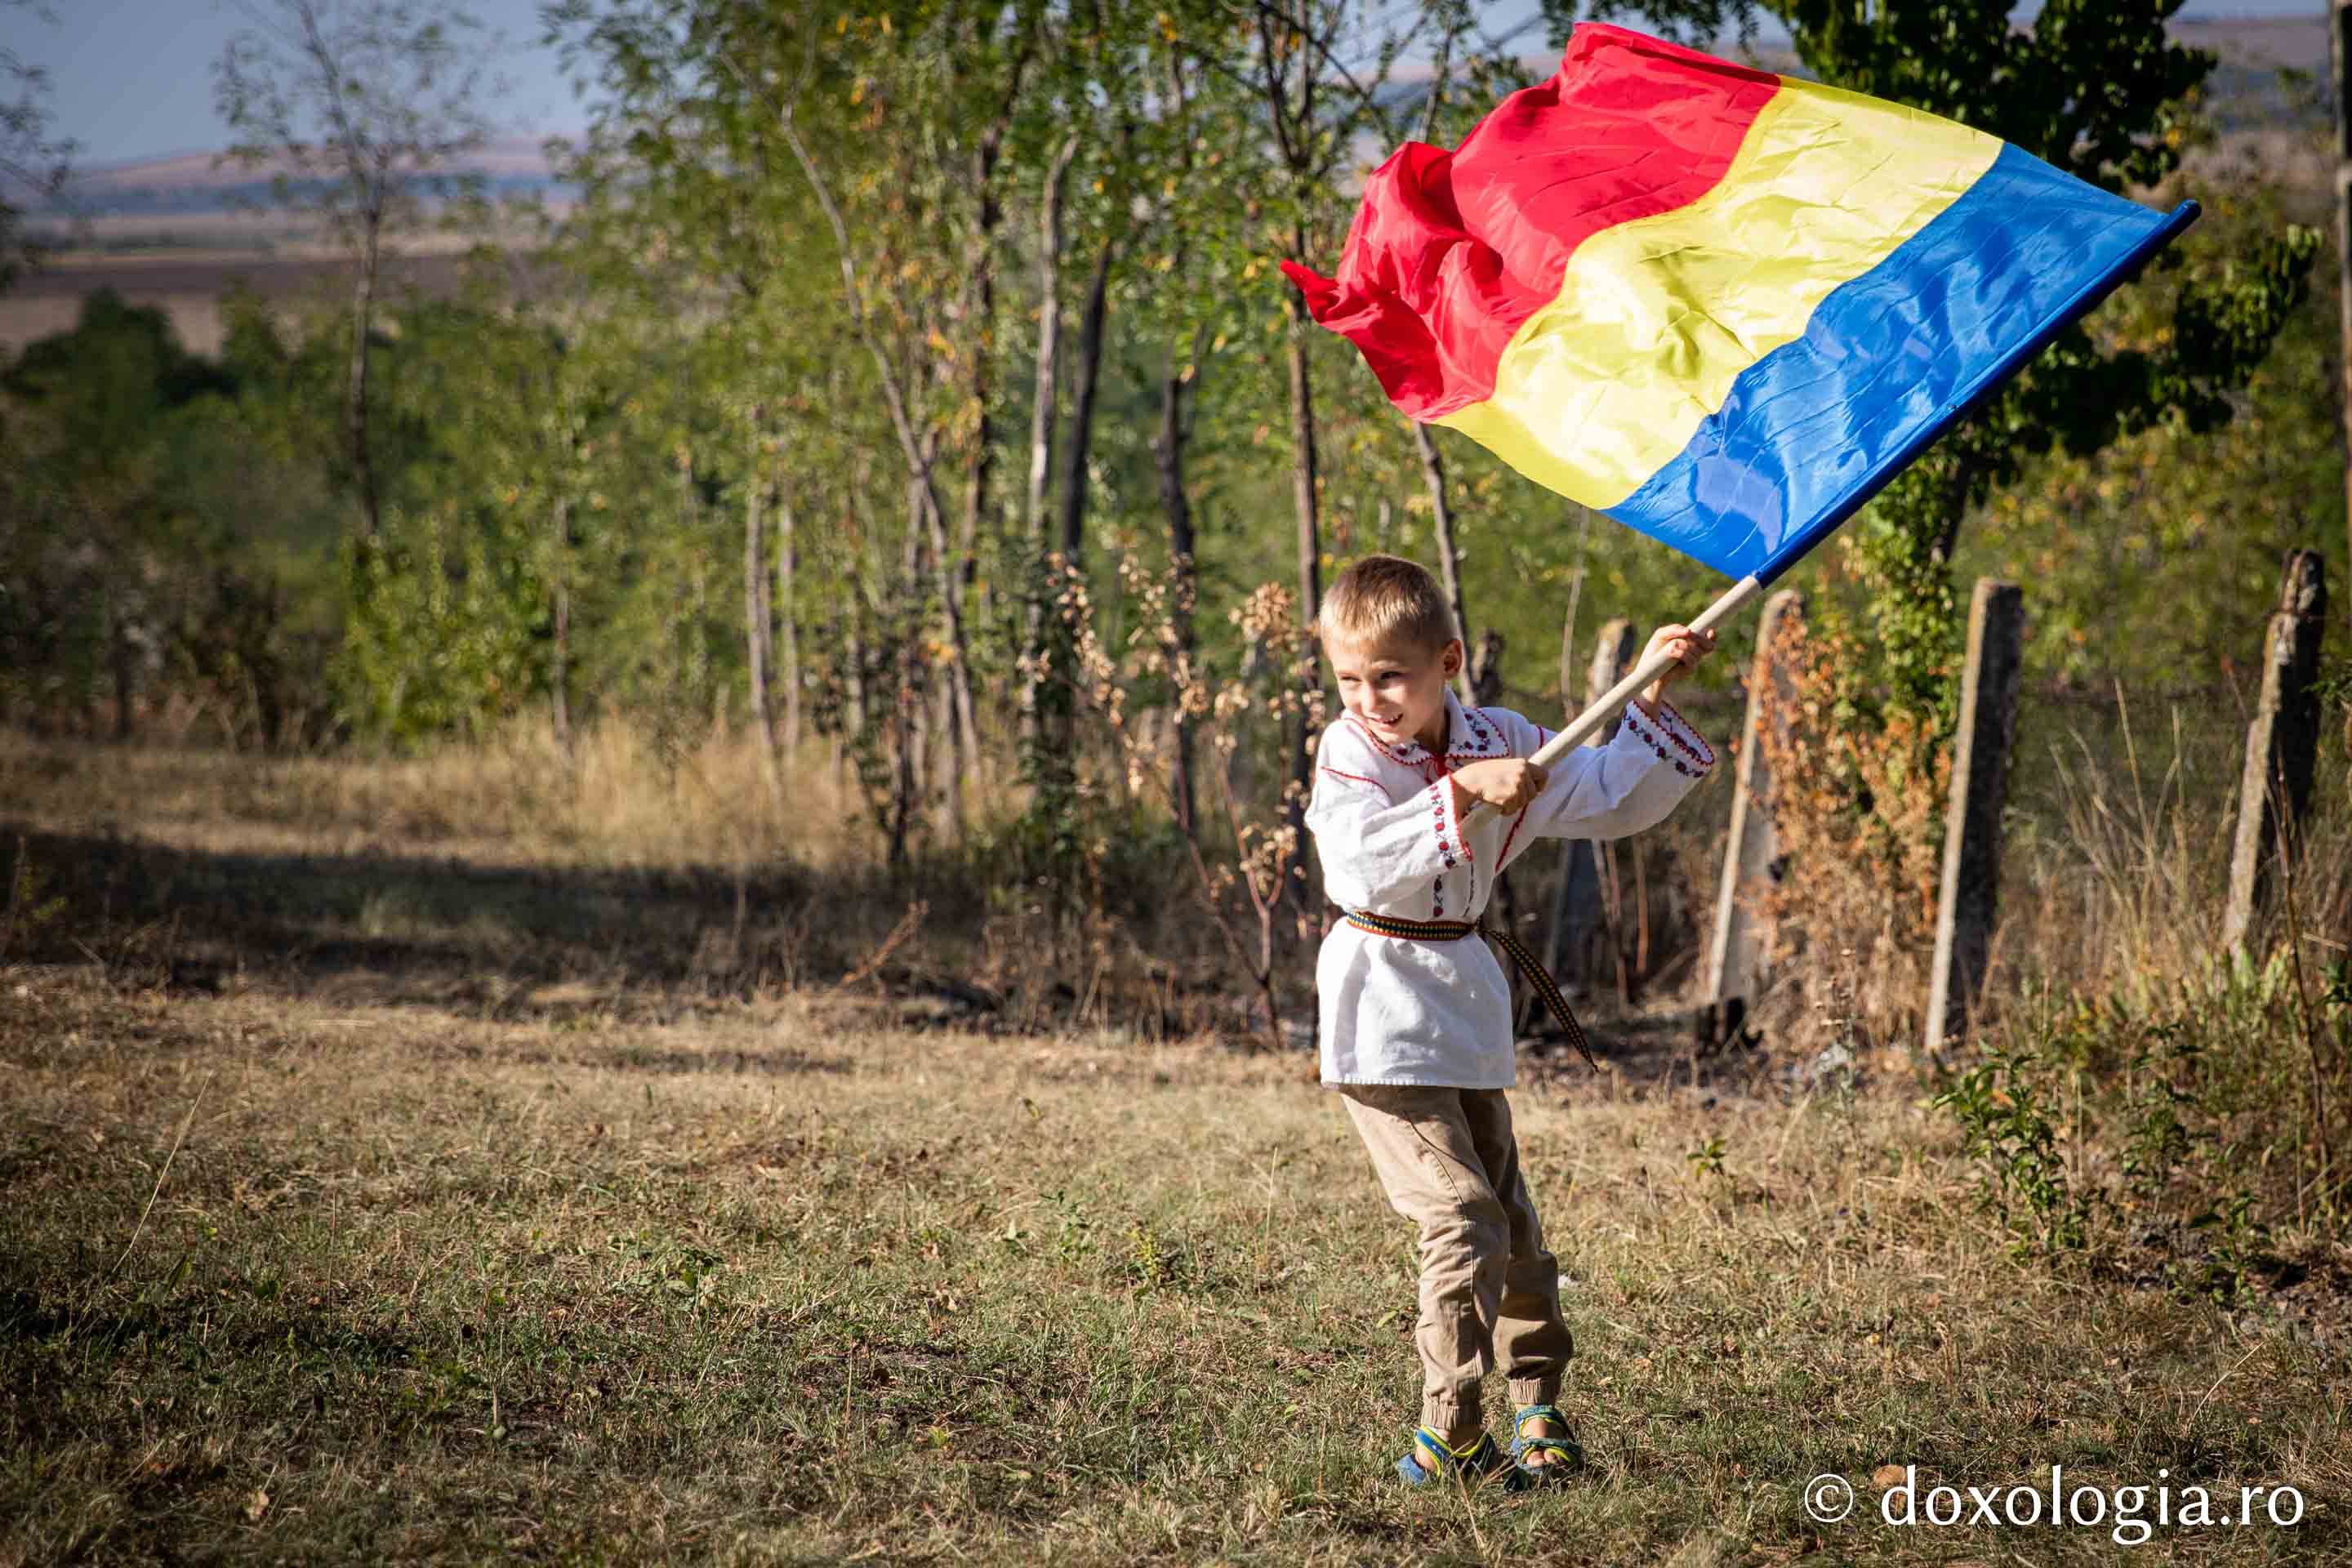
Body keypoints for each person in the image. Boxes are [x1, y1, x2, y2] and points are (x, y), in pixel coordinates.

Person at [1306, 554, 1717, 1489]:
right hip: (1380, 1011)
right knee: (1461, 1215)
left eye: (1390, 677)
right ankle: (1447, 1434)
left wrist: (1648, 689)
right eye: (1350, 679)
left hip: (1464, 1002)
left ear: (1448, 660)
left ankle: (1537, 1405)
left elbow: (1606, 795)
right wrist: (1462, 793)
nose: (1369, 699)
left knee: (1514, 1225)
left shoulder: (1500, 736)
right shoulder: (1347, 753)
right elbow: (1359, 865)